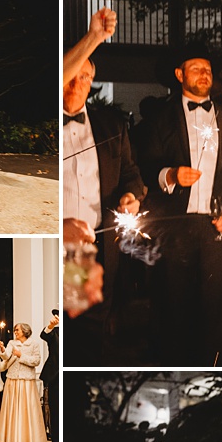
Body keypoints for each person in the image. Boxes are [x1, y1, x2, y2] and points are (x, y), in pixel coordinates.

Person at [138, 43, 222, 365]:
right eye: (196, 69)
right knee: (174, 311)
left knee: (216, 313)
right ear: (179, 75)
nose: (204, 75)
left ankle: (213, 369)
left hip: (219, 227)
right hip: (176, 228)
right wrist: (171, 174)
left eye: (208, 69)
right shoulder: (160, 119)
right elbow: (144, 168)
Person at [62, 56, 147, 364]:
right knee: (65, 333)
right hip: (58, 246)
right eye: (71, 75)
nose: (76, 84)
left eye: (84, 78)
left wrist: (130, 196)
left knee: (90, 337)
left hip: (95, 246)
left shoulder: (110, 125)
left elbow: (130, 173)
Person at [0, 324, 47, 442]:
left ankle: (28, 440)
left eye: (17, 330)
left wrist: (21, 356)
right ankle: (11, 438)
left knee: (27, 409)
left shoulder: (34, 344)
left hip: (27, 380)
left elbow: (36, 361)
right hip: (12, 378)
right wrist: (2, 349)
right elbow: (6, 356)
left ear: (25, 331)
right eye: (14, 330)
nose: (15, 332)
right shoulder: (11, 343)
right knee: (12, 408)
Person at [39, 312, 59, 442]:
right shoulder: (54, 332)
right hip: (55, 377)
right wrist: (50, 326)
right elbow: (44, 335)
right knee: (55, 411)